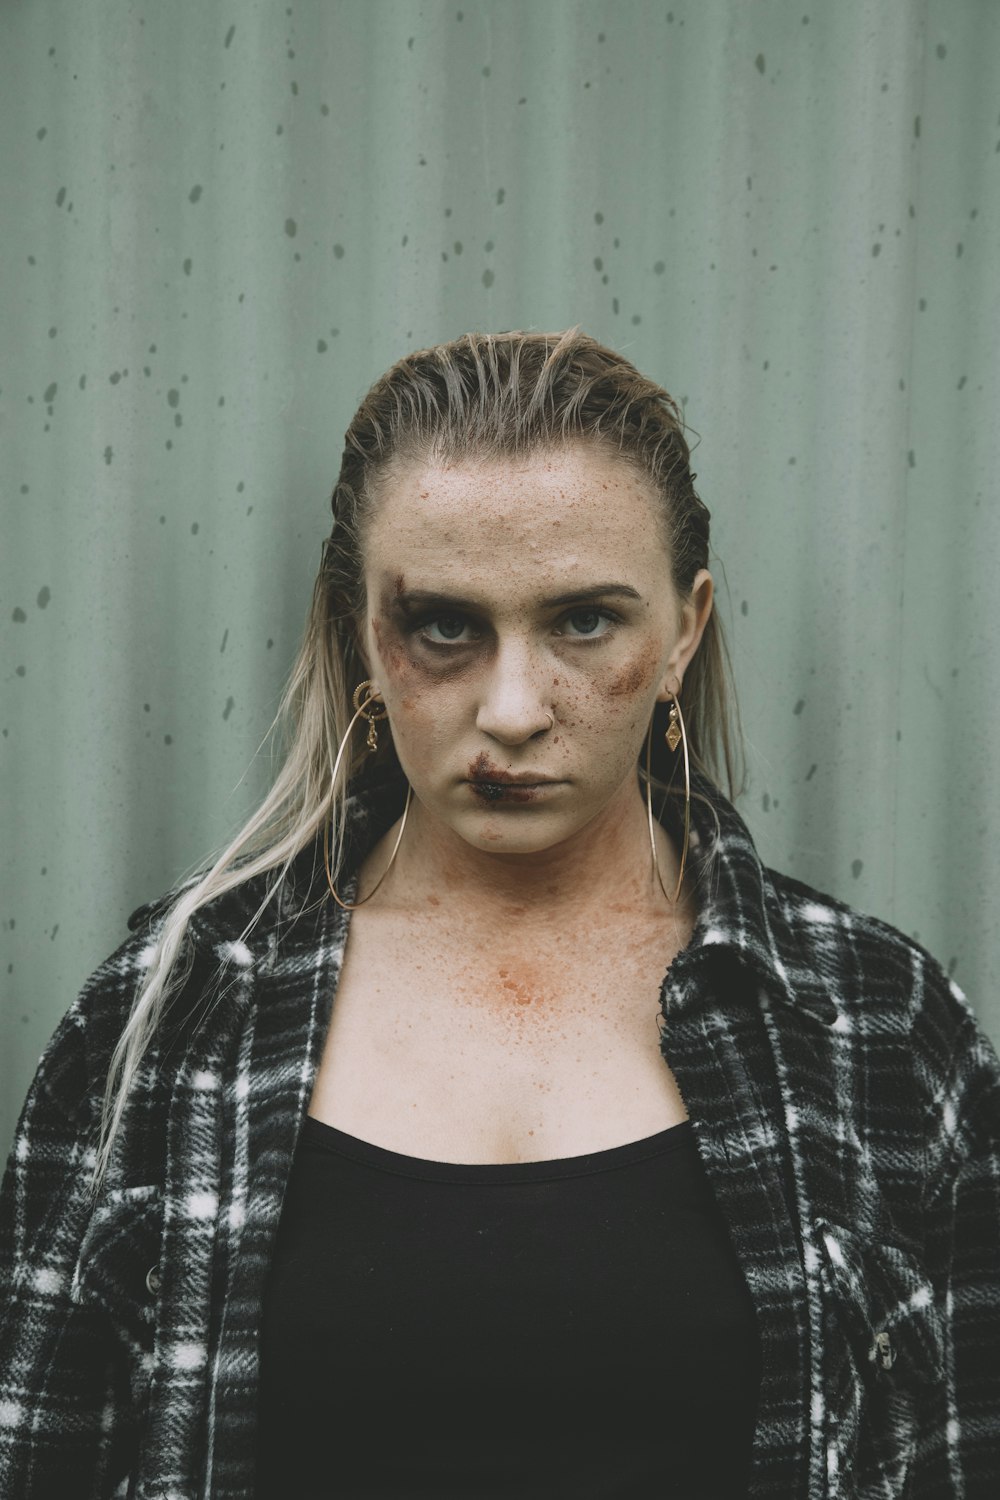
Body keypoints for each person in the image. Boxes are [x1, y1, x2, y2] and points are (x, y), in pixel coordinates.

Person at [1, 327, 998, 1499]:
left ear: (684, 629)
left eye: (583, 621)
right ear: (363, 635)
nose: (514, 708)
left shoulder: (872, 1025)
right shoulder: (172, 1017)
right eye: (443, 626)